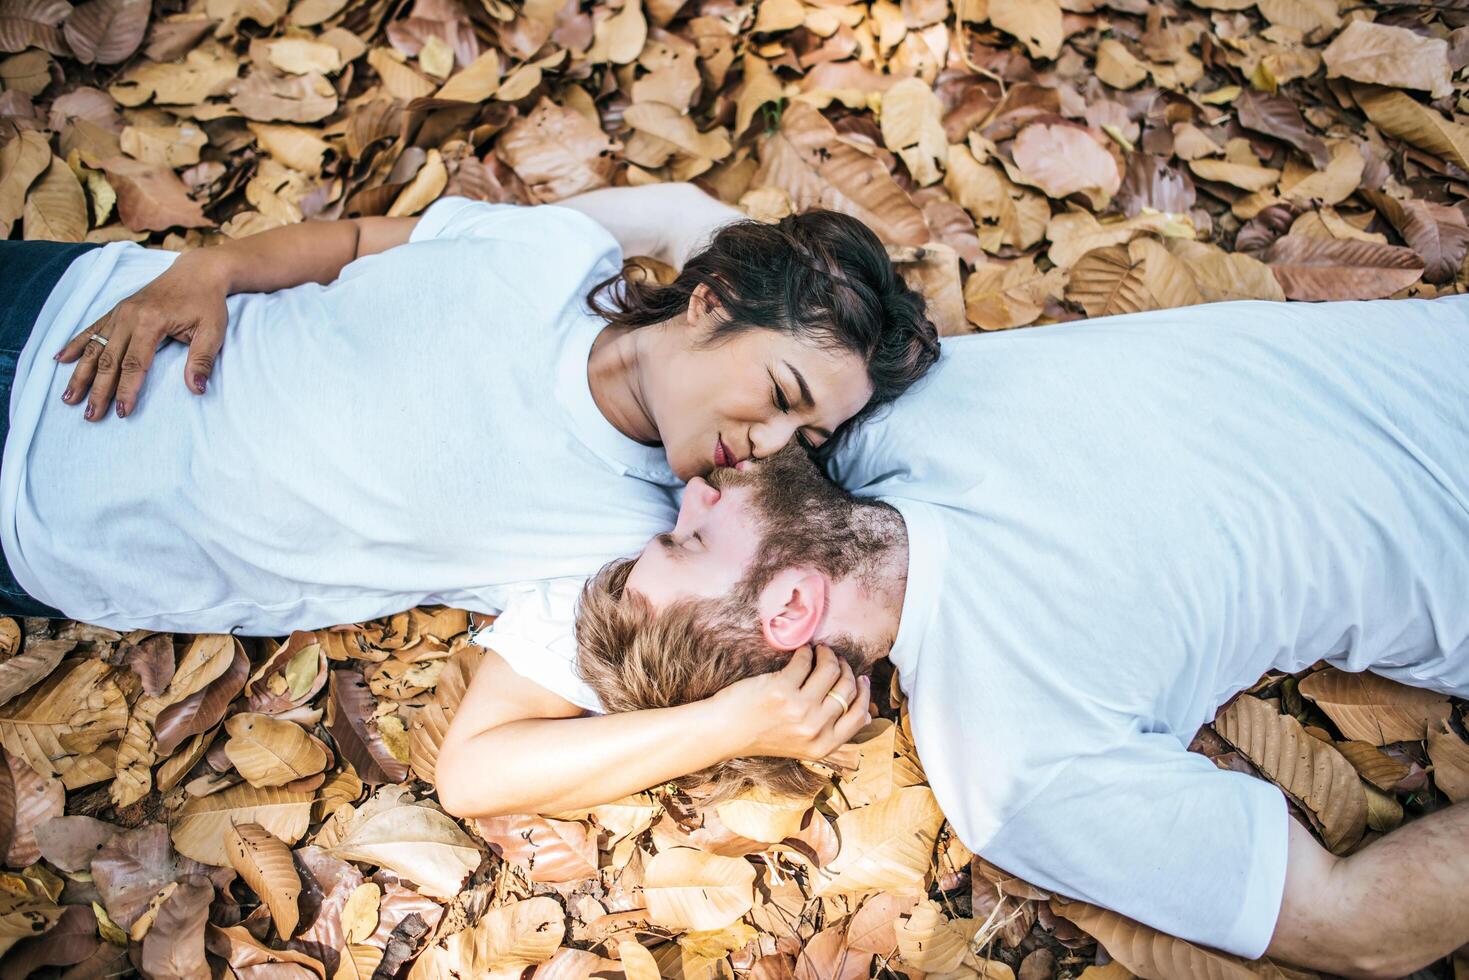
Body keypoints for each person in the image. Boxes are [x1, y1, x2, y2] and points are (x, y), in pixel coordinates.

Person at [570, 295, 1469, 977]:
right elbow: (1356, 924)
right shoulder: (1012, 763)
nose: (687, 486)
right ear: (788, 612)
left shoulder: (874, 410)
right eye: (688, 536)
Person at [0, 182, 938, 631]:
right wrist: (209, 267)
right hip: (76, 306)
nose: (771, 443)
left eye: (807, 438)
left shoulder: (622, 536)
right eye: (780, 395)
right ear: (713, 300)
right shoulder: (552, 255)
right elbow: (365, 238)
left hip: (45, 511)